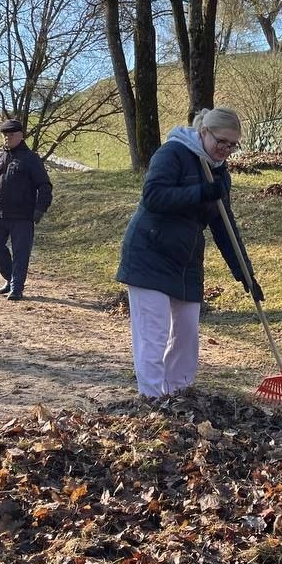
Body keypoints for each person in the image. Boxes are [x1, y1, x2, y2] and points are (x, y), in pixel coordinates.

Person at [115, 107, 263, 398]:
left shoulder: (220, 172)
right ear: (204, 132)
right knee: (153, 335)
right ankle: (153, 398)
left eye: (233, 145)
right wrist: (202, 192)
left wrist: (245, 274)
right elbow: (154, 196)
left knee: (186, 334)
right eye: (222, 142)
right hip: (150, 254)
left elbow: (223, 225)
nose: (226, 150)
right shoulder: (173, 153)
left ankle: (179, 393)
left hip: (186, 262)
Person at [0, 118, 53, 302]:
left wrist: (40, 209)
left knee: (21, 253)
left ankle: (17, 287)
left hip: (23, 216)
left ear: (21, 136)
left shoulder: (31, 159)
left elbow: (44, 186)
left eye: (11, 134)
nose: (7, 138)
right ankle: (10, 278)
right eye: (5, 134)